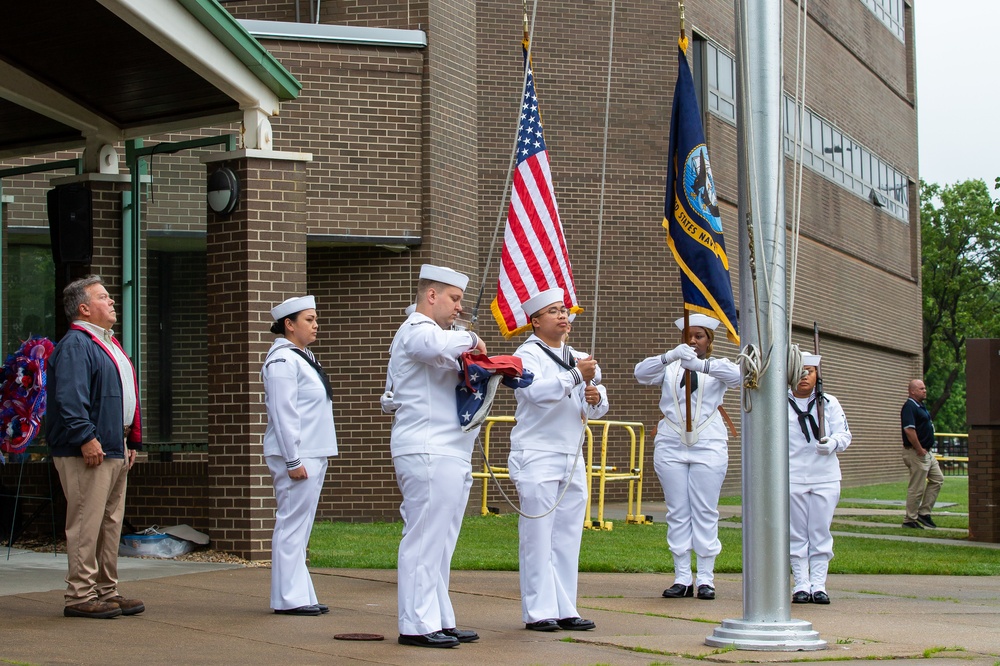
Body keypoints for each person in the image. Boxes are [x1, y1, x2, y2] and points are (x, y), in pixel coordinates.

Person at [387, 264, 487, 649]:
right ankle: (415, 623)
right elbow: (431, 347)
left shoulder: (443, 335)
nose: (459, 307)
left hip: (449, 448)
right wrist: (472, 339)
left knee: (442, 541)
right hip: (427, 447)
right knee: (425, 537)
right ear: (432, 296)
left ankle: (439, 616)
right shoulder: (416, 330)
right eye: (455, 298)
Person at [509, 289, 607, 632]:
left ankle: (566, 607)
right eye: (553, 311)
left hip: (571, 454)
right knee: (538, 533)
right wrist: (578, 376)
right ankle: (538, 611)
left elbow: (598, 406)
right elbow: (535, 394)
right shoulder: (527, 354)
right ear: (536, 321)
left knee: (567, 535)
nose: (562, 316)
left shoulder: (579, 355)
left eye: (563, 310)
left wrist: (594, 398)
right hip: (536, 453)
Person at [46, 276, 144, 619]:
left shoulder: (108, 343)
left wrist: (132, 440)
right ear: (84, 308)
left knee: (109, 523)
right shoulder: (77, 344)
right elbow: (70, 398)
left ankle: (106, 590)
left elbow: (126, 393)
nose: (113, 301)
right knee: (87, 522)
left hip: (114, 445)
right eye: (104, 297)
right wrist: (86, 437)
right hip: (88, 447)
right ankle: (80, 595)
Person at [633, 313, 740, 601]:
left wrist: (702, 365)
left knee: (705, 510)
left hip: (708, 443)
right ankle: (682, 577)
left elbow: (740, 378)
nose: (693, 340)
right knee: (678, 511)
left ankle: (706, 578)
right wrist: (670, 357)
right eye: (688, 336)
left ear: (709, 340)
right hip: (671, 442)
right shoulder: (670, 366)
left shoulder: (717, 366)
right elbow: (640, 373)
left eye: (699, 336)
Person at [262, 295, 338, 616]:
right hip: (298, 455)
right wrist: (293, 459)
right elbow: (283, 413)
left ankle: (301, 593)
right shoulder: (282, 360)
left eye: (315, 318)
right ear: (289, 325)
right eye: (309, 319)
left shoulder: (302, 356)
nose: (315, 324)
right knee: (292, 524)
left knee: (301, 527)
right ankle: (288, 598)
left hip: (313, 451)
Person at [787, 354, 851, 605]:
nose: (805, 376)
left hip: (824, 477)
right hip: (793, 476)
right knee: (796, 534)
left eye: (810, 371)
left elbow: (845, 435)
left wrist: (832, 443)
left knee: (820, 532)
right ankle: (801, 584)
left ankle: (819, 584)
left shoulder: (829, 402)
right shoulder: (779, 403)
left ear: (817, 375)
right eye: (800, 370)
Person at [900, 379, 944, 529]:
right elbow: (909, 430)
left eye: (924, 388)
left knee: (938, 479)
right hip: (916, 453)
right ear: (912, 391)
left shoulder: (920, 406)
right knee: (917, 487)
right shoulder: (909, 407)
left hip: (927, 453)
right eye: (921, 388)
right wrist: (918, 448)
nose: (924, 391)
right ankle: (909, 519)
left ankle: (924, 513)